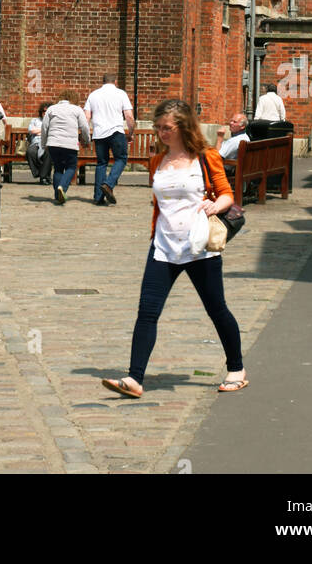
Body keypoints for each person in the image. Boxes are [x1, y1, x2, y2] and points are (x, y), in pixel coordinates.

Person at [102, 97, 246, 399]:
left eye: (166, 128)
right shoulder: (158, 161)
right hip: (164, 247)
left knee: (216, 309)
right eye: (158, 127)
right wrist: (155, 234)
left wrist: (213, 205)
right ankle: (135, 378)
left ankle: (237, 369)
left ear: (182, 127)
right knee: (147, 312)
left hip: (199, 248)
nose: (161, 133)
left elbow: (227, 194)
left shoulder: (206, 157)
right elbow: (161, 205)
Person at [84, 73, 135, 206]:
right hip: (116, 132)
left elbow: (86, 117)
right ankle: (109, 184)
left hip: (99, 133)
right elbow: (129, 116)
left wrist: (84, 134)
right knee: (121, 159)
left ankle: (98, 197)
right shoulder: (121, 94)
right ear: (115, 81)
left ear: (103, 81)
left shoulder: (93, 95)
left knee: (101, 163)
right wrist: (131, 132)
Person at [40, 93, 90, 204]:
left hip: (53, 143)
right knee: (71, 167)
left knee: (58, 168)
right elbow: (84, 127)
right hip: (70, 144)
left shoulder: (51, 109)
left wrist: (43, 144)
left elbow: (44, 127)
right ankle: (62, 187)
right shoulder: (77, 109)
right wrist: (87, 140)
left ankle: (57, 196)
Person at [26, 101, 52, 183]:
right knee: (30, 152)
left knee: (48, 153)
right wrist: (43, 131)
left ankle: (43, 177)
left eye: (47, 111)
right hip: (36, 142)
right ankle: (40, 173)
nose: (45, 113)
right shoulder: (35, 120)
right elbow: (31, 130)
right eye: (44, 111)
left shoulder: (52, 121)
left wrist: (39, 132)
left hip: (48, 142)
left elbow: (52, 132)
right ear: (41, 112)